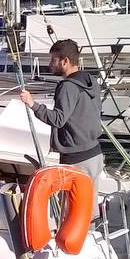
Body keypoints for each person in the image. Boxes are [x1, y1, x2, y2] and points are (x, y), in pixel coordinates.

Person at [19, 39, 104, 216]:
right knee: (89, 207)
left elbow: (58, 119)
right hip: (95, 154)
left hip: (77, 159)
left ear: (65, 61)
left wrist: (32, 104)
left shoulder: (68, 87)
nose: (50, 64)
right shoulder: (91, 81)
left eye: (53, 60)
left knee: (71, 211)